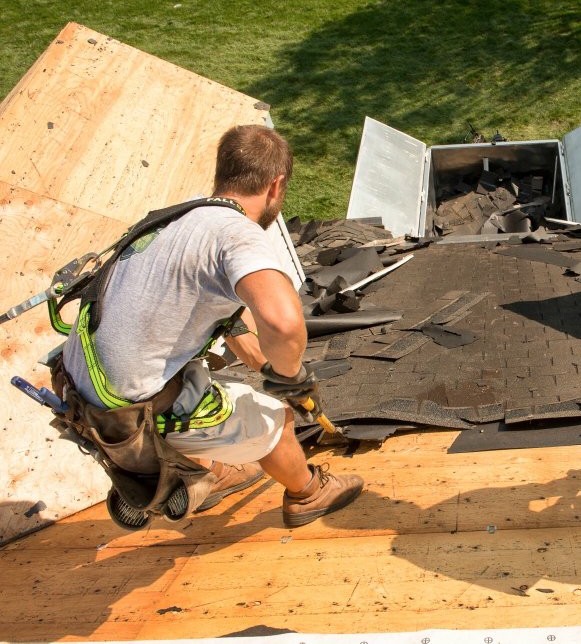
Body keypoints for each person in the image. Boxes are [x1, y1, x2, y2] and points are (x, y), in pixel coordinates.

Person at [60, 124, 363, 526]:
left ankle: (210, 473)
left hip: (76, 390)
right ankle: (308, 493)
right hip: (130, 413)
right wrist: (289, 379)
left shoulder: (178, 217)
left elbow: (236, 325)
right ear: (276, 185)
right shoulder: (236, 234)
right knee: (276, 418)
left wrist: (274, 372)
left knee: (209, 383)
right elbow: (284, 324)